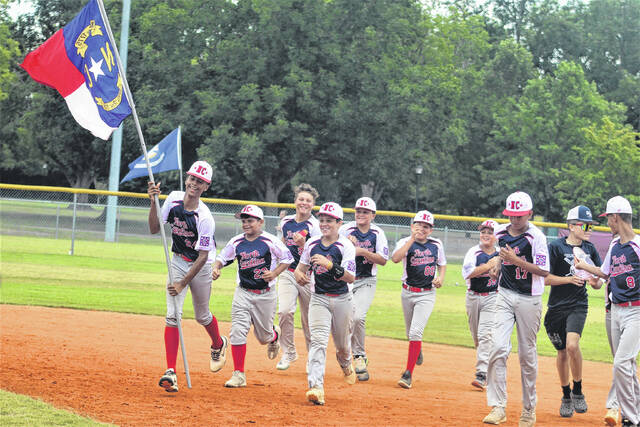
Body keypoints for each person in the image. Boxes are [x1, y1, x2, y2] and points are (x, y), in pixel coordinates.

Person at [148, 160, 227, 393]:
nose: (194, 183)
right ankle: (170, 372)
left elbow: (203, 256)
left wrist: (183, 282)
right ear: (187, 179)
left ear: (206, 187)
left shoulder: (205, 217)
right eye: (192, 178)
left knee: (202, 315)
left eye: (200, 181)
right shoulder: (172, 199)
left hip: (201, 266)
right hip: (178, 261)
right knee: (173, 315)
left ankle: (218, 343)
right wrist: (153, 202)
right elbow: (155, 229)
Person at [483, 191, 549, 427]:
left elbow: (543, 271)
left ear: (529, 214)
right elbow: (502, 255)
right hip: (506, 294)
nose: (514, 220)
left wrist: (515, 259)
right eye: (511, 215)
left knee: (526, 356)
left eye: (519, 216)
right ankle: (498, 406)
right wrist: (498, 265)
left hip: (530, 298)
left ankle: (529, 408)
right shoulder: (501, 232)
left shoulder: (536, 237)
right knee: (497, 347)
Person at [575, 196, 640, 427]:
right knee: (627, 365)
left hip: (636, 312)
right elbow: (604, 273)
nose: (608, 223)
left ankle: (631, 419)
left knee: (621, 363)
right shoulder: (614, 245)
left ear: (615, 217)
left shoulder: (637, 245)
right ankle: (637, 411)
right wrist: (583, 266)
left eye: (608, 218)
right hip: (616, 310)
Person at [212, 204, 294, 387]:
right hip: (243, 293)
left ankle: (274, 336)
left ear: (261, 222)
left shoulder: (270, 241)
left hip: (265, 295)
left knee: (263, 337)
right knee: (237, 331)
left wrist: (274, 274)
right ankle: (238, 374)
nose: (246, 224)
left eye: (250, 220)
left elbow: (288, 259)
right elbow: (222, 257)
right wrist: (216, 268)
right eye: (243, 221)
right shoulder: (237, 242)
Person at [294, 202, 357, 405]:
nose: (324, 224)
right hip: (319, 298)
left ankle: (346, 363)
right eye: (321, 220)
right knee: (318, 342)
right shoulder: (312, 243)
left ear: (339, 223)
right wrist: (299, 275)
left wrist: (329, 264)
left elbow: (350, 277)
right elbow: (300, 268)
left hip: (342, 300)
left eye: (329, 220)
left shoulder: (345, 246)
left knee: (342, 345)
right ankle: (316, 387)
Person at [543, 205, 603, 418]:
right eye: (584, 224)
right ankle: (566, 395)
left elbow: (598, 282)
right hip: (556, 308)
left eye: (591, 225)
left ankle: (578, 390)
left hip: (578, 304)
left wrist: (595, 282)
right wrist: (569, 279)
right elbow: (545, 278)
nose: (589, 228)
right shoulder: (556, 247)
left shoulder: (590, 249)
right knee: (561, 352)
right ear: (571, 226)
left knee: (571, 345)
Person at [391, 210, 446, 390]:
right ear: (412, 226)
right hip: (407, 292)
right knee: (410, 334)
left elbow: (442, 264)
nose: (422, 228)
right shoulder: (405, 242)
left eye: (426, 226)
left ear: (431, 230)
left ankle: (408, 374)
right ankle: (417, 348)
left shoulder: (436, 244)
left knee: (415, 332)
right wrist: (411, 240)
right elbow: (396, 259)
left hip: (426, 294)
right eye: (418, 225)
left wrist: (441, 277)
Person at [338, 197, 389, 381]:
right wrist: (346, 244)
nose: (361, 214)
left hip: (366, 280)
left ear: (373, 215)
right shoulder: (345, 230)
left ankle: (359, 356)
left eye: (365, 212)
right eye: (358, 211)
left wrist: (362, 251)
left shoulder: (377, 233)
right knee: (345, 320)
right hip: (345, 280)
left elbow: (383, 260)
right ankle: (346, 356)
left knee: (358, 316)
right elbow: (333, 250)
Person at [276, 184, 321, 371]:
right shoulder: (286, 222)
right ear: (295, 201)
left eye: (308, 200)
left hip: (309, 276)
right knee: (285, 311)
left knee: (309, 320)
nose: (304, 203)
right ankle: (289, 352)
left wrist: (304, 245)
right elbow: (281, 245)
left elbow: (319, 253)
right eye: (301, 199)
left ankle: (313, 358)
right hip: (288, 272)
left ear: (313, 205)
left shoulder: (315, 226)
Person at [462, 219, 500, 390]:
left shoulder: (501, 253)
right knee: (478, 338)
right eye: (483, 231)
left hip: (493, 297)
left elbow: (505, 275)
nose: (485, 235)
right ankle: (488, 366)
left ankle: (481, 373)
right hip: (473, 296)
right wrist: (487, 266)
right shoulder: (474, 252)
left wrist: (496, 272)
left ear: (496, 236)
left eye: (490, 232)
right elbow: (468, 274)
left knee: (486, 335)